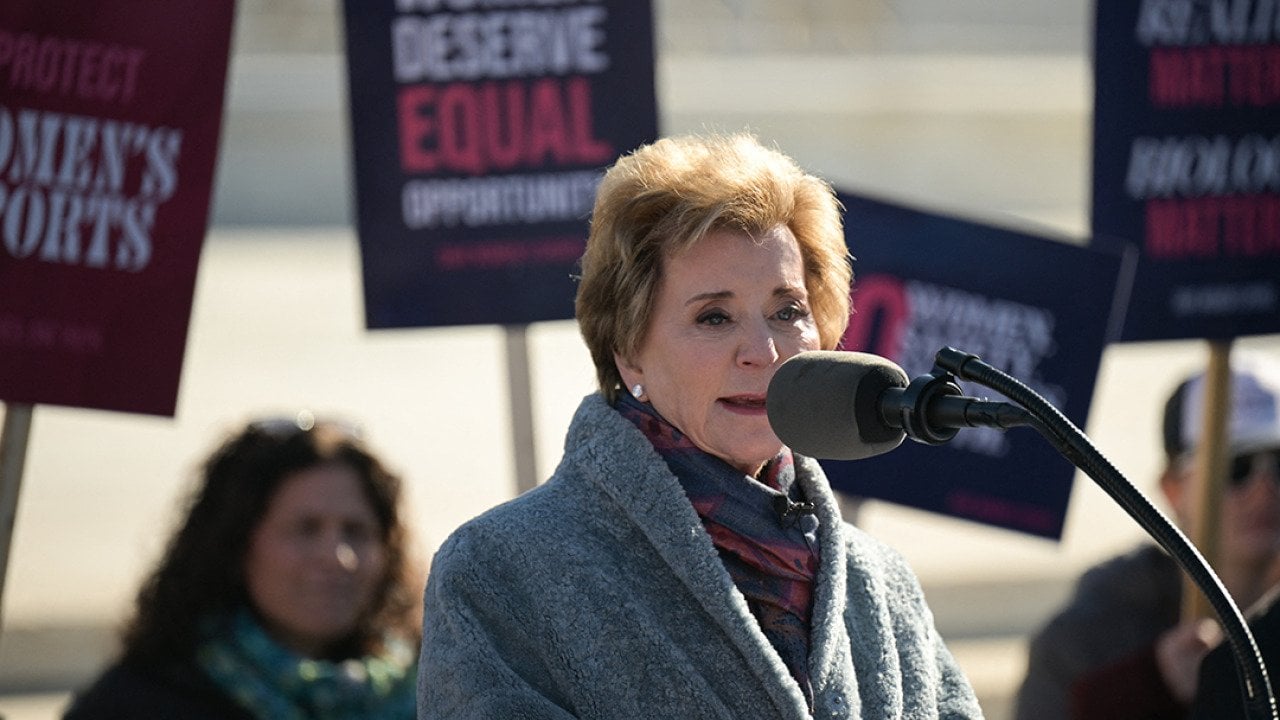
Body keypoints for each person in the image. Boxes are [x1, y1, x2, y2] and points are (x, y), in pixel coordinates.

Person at [417, 132, 983, 719]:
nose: (763, 352)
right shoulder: (499, 570)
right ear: (628, 350)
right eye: (714, 317)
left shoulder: (881, 583)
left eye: (787, 311)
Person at [63, 412, 421, 719]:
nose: (337, 556)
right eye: (306, 529)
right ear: (233, 545)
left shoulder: (435, 690)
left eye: (356, 531)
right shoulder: (136, 705)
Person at [1013, 352, 1280, 720]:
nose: (1264, 490)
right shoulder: (1088, 638)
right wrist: (1148, 688)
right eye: (1236, 466)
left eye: (1279, 464)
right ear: (1172, 488)